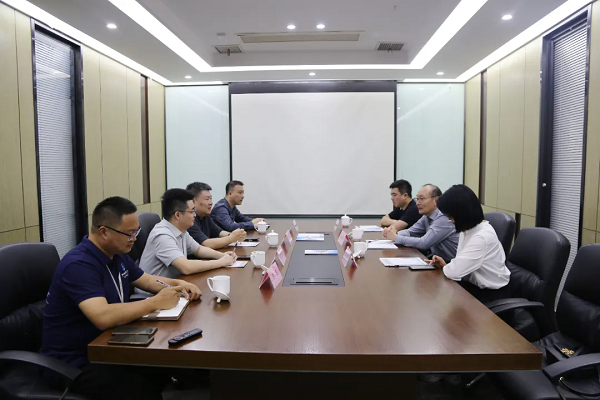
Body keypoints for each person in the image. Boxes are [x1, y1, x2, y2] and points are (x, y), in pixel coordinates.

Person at [40, 196, 202, 400]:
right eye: (129, 233)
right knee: (141, 389)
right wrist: (154, 302)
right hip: (75, 361)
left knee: (162, 367)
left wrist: (179, 284)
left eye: (136, 232)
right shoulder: (79, 265)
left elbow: (147, 280)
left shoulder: (116, 254)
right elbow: (103, 316)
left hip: (111, 343)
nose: (134, 239)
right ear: (103, 231)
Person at [429, 184, 511, 302]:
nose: (449, 219)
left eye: (451, 215)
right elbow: (458, 268)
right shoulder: (467, 230)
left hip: (491, 295)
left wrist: (449, 268)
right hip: (473, 286)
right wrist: (446, 266)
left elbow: (454, 272)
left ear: (462, 213)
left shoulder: (481, 237)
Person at [139, 188, 236, 279]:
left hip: (175, 283)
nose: (195, 215)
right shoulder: (162, 235)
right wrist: (220, 262)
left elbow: (198, 250)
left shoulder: (181, 230)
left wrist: (222, 255)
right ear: (177, 215)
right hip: (154, 290)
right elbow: (186, 267)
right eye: (192, 211)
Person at [383, 184, 458, 262]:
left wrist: (396, 237)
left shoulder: (444, 217)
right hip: (437, 261)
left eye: (421, 199)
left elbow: (424, 243)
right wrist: (393, 233)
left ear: (435, 200)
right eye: (417, 199)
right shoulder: (426, 216)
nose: (417, 203)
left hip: (451, 264)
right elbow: (410, 232)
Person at [186, 181, 247, 249]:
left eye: (211, 199)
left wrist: (234, 235)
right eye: (207, 199)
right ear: (194, 201)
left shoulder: (205, 216)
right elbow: (206, 244)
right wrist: (231, 238)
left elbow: (219, 232)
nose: (211, 203)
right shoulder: (189, 220)